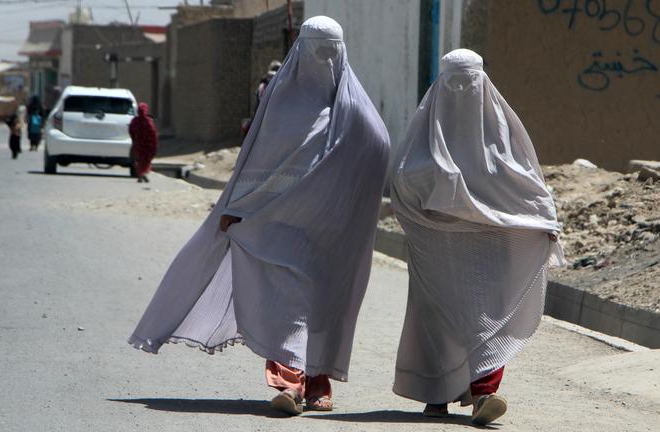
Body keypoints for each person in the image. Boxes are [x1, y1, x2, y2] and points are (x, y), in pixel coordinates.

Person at [128, 16, 389, 416]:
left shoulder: (355, 111)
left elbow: (375, 155)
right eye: (317, 49)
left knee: (323, 305)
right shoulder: (279, 104)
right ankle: (289, 381)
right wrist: (237, 209)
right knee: (289, 302)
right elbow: (256, 161)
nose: (323, 59)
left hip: (330, 233)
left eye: (330, 50)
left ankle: (316, 381)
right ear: (300, 51)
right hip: (277, 227)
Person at [388, 49, 566, 426]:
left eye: (468, 81)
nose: (461, 89)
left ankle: (484, 393)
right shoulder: (425, 137)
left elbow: (526, 185)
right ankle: (437, 394)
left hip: (489, 248)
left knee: (485, 317)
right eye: (454, 81)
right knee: (436, 320)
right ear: (440, 84)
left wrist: (543, 220)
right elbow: (402, 184)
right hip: (436, 246)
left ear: (482, 82)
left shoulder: (501, 136)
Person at [128, 103, 158, 183]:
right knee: (145, 160)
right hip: (147, 144)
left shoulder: (134, 121)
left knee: (138, 160)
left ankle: (142, 174)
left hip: (139, 143)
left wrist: (134, 139)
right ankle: (142, 174)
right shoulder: (148, 121)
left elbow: (131, 131)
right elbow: (153, 133)